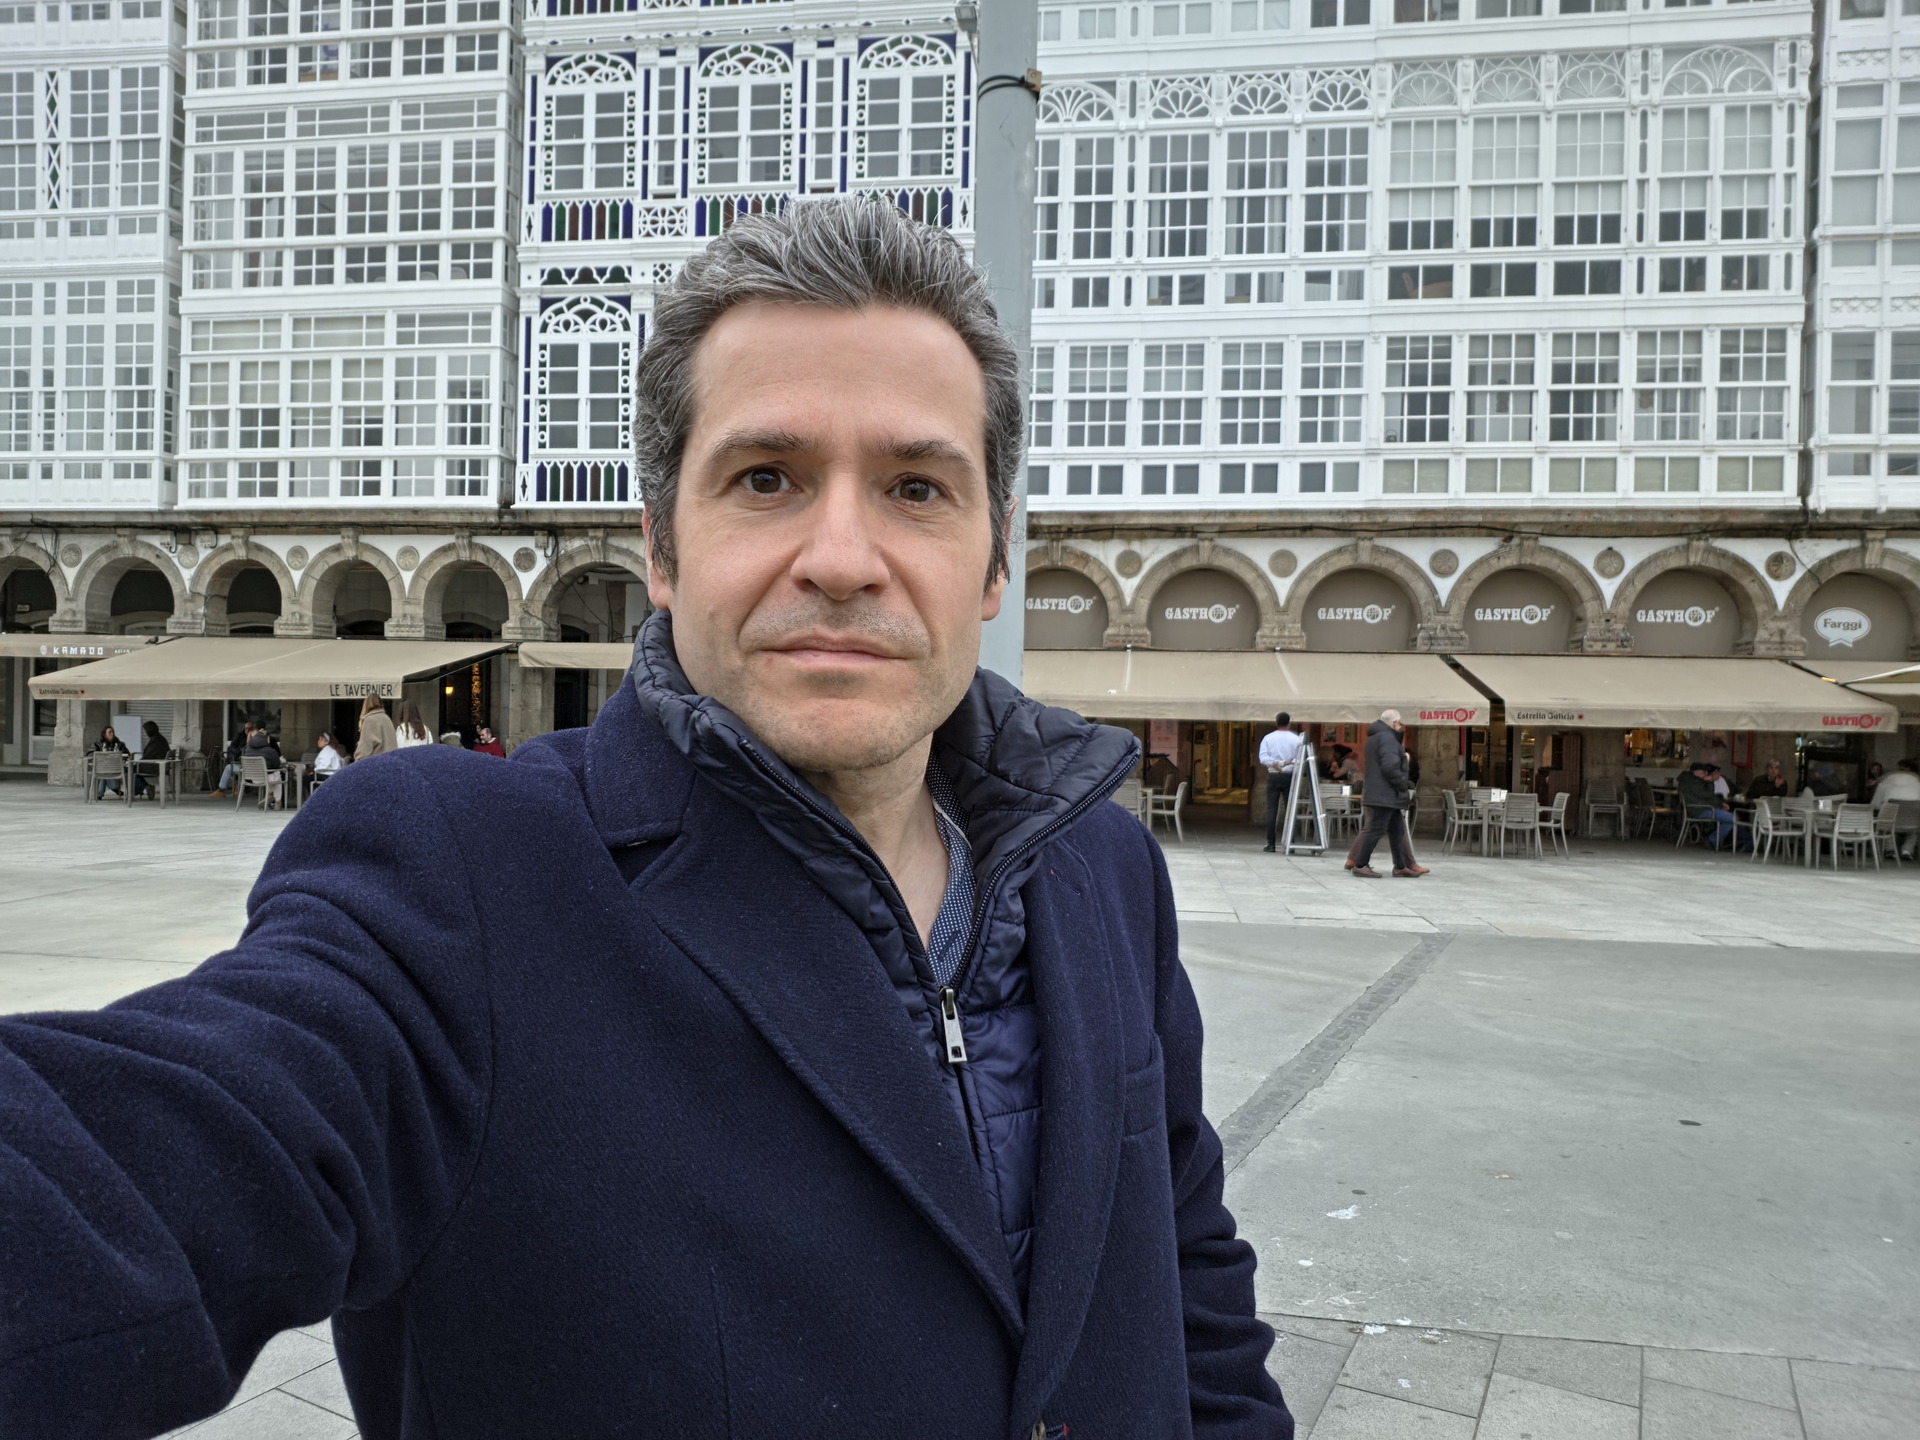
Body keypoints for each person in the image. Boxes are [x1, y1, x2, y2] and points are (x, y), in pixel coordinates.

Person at [0, 199, 1290, 1440]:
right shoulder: (461, 881)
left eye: (916, 488)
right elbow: (167, 1149)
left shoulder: (1101, 867)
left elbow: (1186, 1282)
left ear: (995, 557)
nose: (844, 558)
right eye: (768, 477)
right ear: (662, 550)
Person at [1350, 709, 1426, 878]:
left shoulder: (1374, 738)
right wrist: (1402, 783)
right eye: (1399, 724)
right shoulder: (1388, 739)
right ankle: (1361, 865)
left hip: (1381, 792)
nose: (1400, 727)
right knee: (1376, 829)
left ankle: (1400, 866)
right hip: (1386, 793)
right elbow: (1390, 766)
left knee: (1397, 830)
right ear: (1394, 723)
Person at [1258, 710, 1304, 852]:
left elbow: (1263, 757)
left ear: (1276, 722)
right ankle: (1291, 843)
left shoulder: (1268, 738)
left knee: (1272, 809)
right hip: (1290, 776)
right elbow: (1300, 758)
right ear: (1289, 723)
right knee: (1290, 809)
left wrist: (1274, 763)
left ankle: (1271, 843)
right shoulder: (1296, 739)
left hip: (1273, 775)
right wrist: (1286, 763)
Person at [1677, 760, 1745, 851]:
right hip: (1700, 810)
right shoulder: (1693, 782)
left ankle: (1719, 839)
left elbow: (1704, 798)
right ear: (1696, 772)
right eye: (1704, 772)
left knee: (1732, 819)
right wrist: (1710, 782)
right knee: (1733, 818)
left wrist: (1720, 804)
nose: (1706, 774)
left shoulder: (1689, 780)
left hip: (1699, 808)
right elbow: (1707, 795)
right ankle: (1714, 839)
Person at [1872, 758, 1920, 860]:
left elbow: (1876, 803)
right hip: (1913, 817)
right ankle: (1907, 850)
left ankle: (1890, 849)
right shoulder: (1917, 780)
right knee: (1915, 828)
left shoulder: (1887, 778)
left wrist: (1876, 808)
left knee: (1887, 824)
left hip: (1891, 815)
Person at [211, 722, 254, 798]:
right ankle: (237, 786)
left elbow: (238, 751)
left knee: (229, 767)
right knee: (231, 765)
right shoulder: (266, 748)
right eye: (246, 729)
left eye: (250, 729)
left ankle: (222, 790)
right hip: (262, 771)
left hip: (247, 768)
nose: (248, 731)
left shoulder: (248, 746)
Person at [131, 719, 169, 800]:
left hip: (155, 767)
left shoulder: (155, 740)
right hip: (159, 765)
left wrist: (138, 762)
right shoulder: (160, 738)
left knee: (131, 769)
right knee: (134, 768)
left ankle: (144, 788)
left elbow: (148, 755)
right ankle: (145, 787)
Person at [352, 693, 397, 761]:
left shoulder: (369, 720)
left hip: (376, 762)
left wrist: (357, 759)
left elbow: (365, 747)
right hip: (390, 761)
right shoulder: (387, 719)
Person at [90, 724, 131, 800]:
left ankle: (100, 793)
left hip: (116, 770)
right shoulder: (97, 744)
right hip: (101, 769)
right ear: (104, 734)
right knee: (104, 770)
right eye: (109, 732)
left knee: (104, 772)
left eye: (112, 732)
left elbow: (127, 755)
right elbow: (90, 754)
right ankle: (113, 788)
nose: (112, 734)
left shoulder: (120, 744)